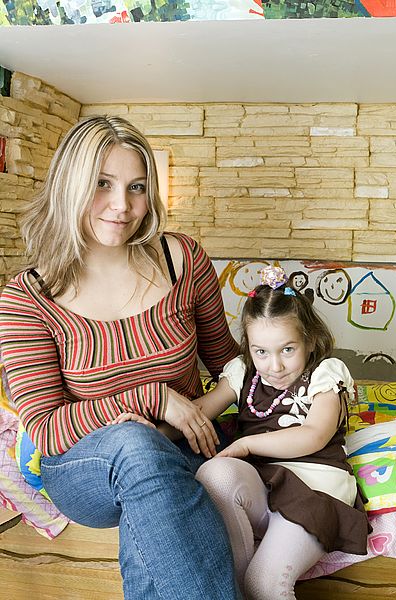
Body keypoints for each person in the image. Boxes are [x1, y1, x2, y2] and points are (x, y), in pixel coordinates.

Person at [0, 115, 241, 600]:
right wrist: (155, 398)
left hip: (180, 451)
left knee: (149, 500)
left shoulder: (182, 259)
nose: (122, 205)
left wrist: (183, 421)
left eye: (136, 187)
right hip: (84, 471)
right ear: (71, 184)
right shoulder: (27, 296)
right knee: (133, 445)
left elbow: (231, 367)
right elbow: (47, 427)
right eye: (103, 184)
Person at [191, 265, 372, 600]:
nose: (274, 366)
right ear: (249, 347)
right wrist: (152, 423)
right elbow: (198, 413)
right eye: (261, 352)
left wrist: (245, 444)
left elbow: (315, 434)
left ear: (309, 340)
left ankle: (254, 582)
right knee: (214, 472)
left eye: (287, 349)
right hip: (263, 488)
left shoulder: (325, 373)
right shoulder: (243, 372)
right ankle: (238, 583)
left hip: (314, 490)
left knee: (264, 584)